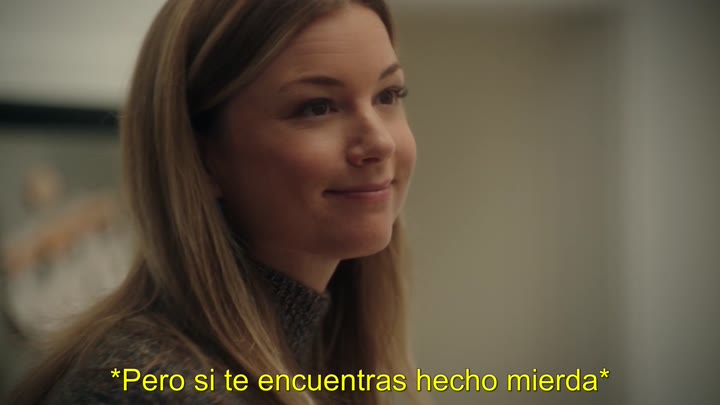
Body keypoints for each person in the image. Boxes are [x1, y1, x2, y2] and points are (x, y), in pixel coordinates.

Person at [8, 0, 417, 404]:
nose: (380, 143)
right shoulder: (135, 389)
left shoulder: (327, 363)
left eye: (388, 95)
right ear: (200, 157)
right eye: (317, 107)